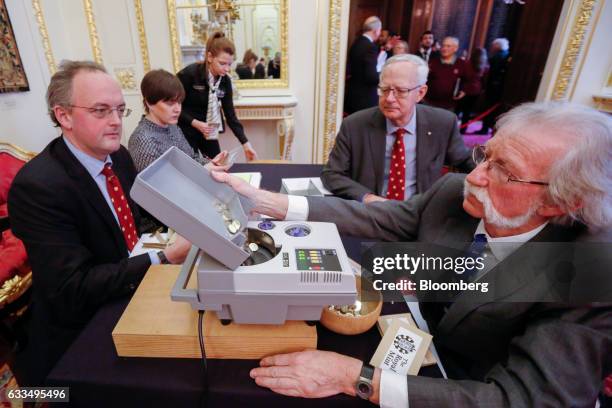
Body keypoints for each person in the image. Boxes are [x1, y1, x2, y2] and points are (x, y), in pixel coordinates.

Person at [212, 102, 612, 407]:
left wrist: (357, 377)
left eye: (504, 171)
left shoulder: (590, 270)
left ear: (561, 201)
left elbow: (521, 399)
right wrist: (266, 202)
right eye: (485, 155)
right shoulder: (454, 192)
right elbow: (380, 218)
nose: (474, 177)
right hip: (424, 341)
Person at [7, 60, 192, 385]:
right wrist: (165, 257)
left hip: (127, 285)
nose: (116, 121)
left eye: (121, 110)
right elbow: (72, 288)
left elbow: (136, 222)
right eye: (101, 111)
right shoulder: (38, 187)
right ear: (63, 115)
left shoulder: (118, 156)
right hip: (78, 329)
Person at [322, 54, 474, 203]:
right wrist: (368, 198)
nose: (389, 98)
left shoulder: (442, 123)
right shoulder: (354, 125)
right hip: (372, 214)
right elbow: (332, 174)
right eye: (385, 89)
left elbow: (464, 160)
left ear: (420, 93)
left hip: (420, 213)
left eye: (400, 91)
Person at [128, 69, 230, 172]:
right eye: (170, 103)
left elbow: (191, 158)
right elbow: (159, 183)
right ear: (149, 102)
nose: (178, 109)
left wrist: (211, 163)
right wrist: (203, 169)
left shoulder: (172, 127)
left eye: (179, 102)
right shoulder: (143, 139)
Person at [177, 32, 258, 160]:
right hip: (186, 129)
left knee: (218, 165)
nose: (227, 69)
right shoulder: (189, 75)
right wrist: (196, 123)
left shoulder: (225, 81)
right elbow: (174, 107)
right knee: (191, 167)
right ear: (209, 57)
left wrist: (246, 144)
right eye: (222, 63)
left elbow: (230, 116)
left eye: (229, 64)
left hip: (208, 132)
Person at [344, 16, 382, 114]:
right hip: (365, 99)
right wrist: (384, 74)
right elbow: (371, 77)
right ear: (376, 31)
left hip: (352, 95)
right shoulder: (370, 47)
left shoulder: (356, 42)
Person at [425, 36, 470, 111]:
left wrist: (464, 90)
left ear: (455, 48)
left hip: (449, 106)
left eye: (448, 46)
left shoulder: (462, 64)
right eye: (443, 45)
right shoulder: (433, 62)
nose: (444, 48)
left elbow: (468, 81)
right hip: (429, 103)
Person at [478, 38, 511, 135]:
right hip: (500, 89)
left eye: (493, 45)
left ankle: (484, 128)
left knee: (488, 108)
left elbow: (492, 73)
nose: (491, 47)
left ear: (497, 46)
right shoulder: (507, 54)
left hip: (493, 88)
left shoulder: (497, 57)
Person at [456, 47, 489, 133]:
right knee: (467, 111)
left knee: (458, 110)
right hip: (476, 91)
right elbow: (484, 80)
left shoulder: (467, 64)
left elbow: (462, 76)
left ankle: (453, 128)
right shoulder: (485, 66)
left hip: (465, 90)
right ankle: (463, 129)